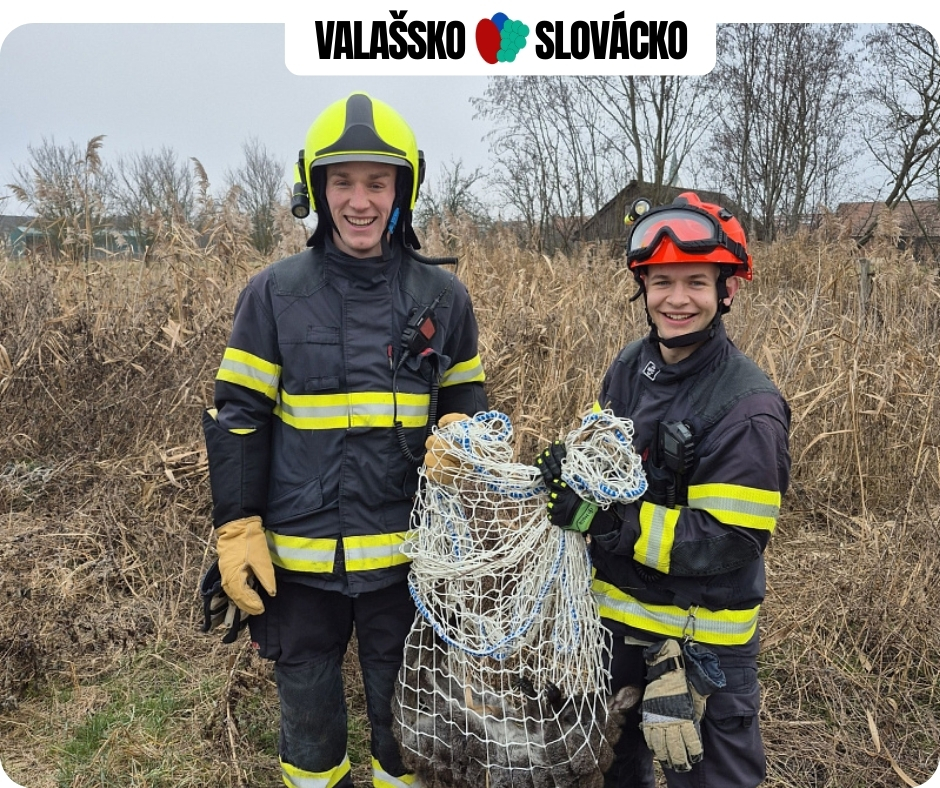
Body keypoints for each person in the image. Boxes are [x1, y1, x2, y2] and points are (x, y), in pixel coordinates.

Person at [202, 91, 488, 788]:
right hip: (299, 564)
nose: (360, 201)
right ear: (316, 189)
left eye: (377, 182)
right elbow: (239, 416)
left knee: (410, 732)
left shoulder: (443, 299)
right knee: (308, 731)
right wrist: (236, 524)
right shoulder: (273, 294)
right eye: (343, 182)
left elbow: (466, 402)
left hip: (408, 565)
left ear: (402, 190)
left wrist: (464, 437)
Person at [536, 192, 791, 788]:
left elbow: (729, 540)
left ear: (727, 290)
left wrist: (605, 523)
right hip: (616, 629)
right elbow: (604, 458)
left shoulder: (748, 408)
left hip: (703, 645)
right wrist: (570, 473)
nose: (677, 299)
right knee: (610, 772)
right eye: (662, 282)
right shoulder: (631, 366)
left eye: (696, 282)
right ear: (642, 288)